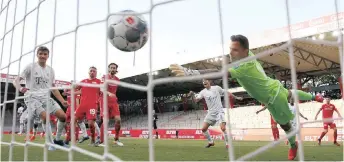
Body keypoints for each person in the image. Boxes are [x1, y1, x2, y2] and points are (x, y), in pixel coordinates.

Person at [169, 35, 324, 160]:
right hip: (272, 90)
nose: (231, 52)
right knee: (289, 95)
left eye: (235, 50)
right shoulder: (246, 57)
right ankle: (313, 96)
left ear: (245, 51)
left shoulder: (243, 67)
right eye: (231, 49)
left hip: (274, 96)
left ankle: (293, 143)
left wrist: (191, 73)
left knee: (286, 124)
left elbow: (218, 74)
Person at [13, 46, 68, 150]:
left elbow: (54, 88)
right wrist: (21, 88)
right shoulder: (30, 67)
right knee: (45, 116)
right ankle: (50, 143)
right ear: (37, 55)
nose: (43, 56)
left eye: (45, 54)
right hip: (32, 97)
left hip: (45, 97)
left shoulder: (51, 70)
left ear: (48, 56)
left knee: (63, 116)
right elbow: (15, 81)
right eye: (40, 54)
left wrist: (62, 100)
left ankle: (56, 140)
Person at [188, 79, 242, 149]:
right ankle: (211, 142)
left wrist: (236, 97)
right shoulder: (203, 92)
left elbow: (226, 92)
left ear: (209, 82)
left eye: (206, 80)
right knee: (203, 129)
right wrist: (192, 95)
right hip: (211, 113)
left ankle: (227, 144)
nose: (204, 82)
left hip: (219, 111)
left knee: (223, 128)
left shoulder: (216, 88)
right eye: (203, 81)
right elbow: (196, 100)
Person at [74, 66, 101, 146]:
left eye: (94, 71)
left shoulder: (99, 82)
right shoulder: (83, 81)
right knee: (74, 120)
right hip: (82, 105)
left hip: (92, 105)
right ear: (88, 72)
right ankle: (73, 139)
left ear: (96, 73)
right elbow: (75, 88)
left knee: (90, 124)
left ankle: (93, 140)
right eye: (91, 71)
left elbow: (103, 91)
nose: (92, 72)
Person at [99, 63, 123, 146]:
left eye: (114, 68)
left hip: (113, 101)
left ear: (116, 70)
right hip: (104, 100)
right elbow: (101, 89)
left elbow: (114, 91)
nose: (113, 69)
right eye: (111, 68)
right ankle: (101, 141)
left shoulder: (117, 79)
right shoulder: (104, 77)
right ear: (108, 69)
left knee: (118, 120)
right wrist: (109, 93)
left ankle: (116, 139)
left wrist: (114, 97)